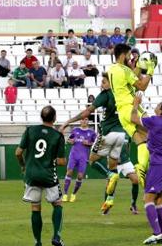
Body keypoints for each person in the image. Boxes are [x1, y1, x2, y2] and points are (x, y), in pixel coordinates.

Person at [60, 73, 139, 215]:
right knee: (116, 169)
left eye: (103, 82)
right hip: (120, 135)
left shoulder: (105, 95)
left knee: (94, 162)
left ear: (111, 83)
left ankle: (110, 179)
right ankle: (110, 199)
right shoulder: (124, 94)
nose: (101, 84)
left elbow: (87, 111)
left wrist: (68, 122)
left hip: (108, 134)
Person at [15, 106, 68, 246]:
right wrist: (49, 160)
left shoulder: (30, 130)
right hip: (48, 175)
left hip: (31, 174)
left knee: (35, 207)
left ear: (41, 117)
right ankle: (57, 236)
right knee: (57, 203)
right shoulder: (57, 136)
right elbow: (62, 162)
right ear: (54, 118)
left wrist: (23, 166)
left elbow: (18, 153)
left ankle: (38, 244)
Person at [130, 94, 162, 245]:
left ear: (161, 110)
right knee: (160, 200)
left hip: (158, 164)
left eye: (158, 105)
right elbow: (152, 134)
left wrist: (136, 104)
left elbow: (134, 119)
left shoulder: (155, 121)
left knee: (148, 199)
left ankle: (156, 233)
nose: (156, 107)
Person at [107, 44, 154, 187]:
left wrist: (137, 66)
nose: (130, 57)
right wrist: (150, 69)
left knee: (140, 140)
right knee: (153, 132)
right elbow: (141, 86)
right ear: (123, 55)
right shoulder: (125, 70)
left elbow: (129, 78)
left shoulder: (112, 69)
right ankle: (143, 168)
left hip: (122, 113)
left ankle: (141, 169)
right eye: (128, 55)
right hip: (131, 107)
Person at [62, 118, 97, 202]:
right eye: (82, 120)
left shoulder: (92, 133)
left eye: (85, 119)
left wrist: (88, 143)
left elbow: (96, 144)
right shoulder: (75, 130)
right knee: (69, 172)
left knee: (80, 176)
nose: (84, 121)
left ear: (88, 121)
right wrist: (71, 141)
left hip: (83, 157)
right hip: (73, 155)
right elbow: (69, 140)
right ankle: (65, 194)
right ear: (80, 121)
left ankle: (73, 194)